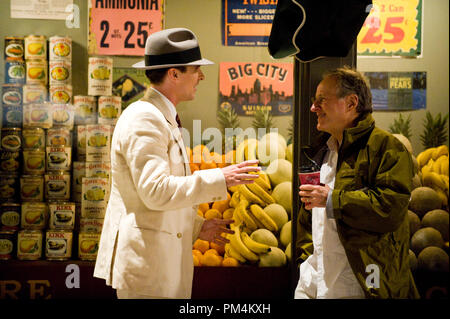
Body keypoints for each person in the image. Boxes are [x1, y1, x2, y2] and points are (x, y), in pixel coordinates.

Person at [93, 28, 260, 299]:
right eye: (195, 70)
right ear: (174, 74)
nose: (201, 77)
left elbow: (155, 199)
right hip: (149, 271)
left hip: (158, 268)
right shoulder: (144, 118)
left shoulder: (160, 116)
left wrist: (195, 226)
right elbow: (155, 191)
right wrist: (221, 178)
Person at [295, 67, 420, 299]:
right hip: (314, 283)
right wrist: (305, 264)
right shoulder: (322, 150)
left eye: (322, 100)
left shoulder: (387, 148)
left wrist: (332, 199)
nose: (313, 107)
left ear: (351, 103)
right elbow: (309, 219)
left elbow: (390, 207)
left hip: (361, 286)